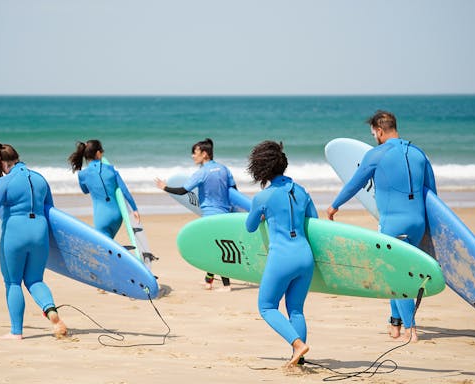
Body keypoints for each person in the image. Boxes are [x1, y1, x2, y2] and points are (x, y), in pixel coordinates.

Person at [326, 110, 437, 343]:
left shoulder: (376, 155)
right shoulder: (419, 153)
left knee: (394, 275)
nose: (373, 137)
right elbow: (432, 194)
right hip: (418, 223)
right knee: (397, 270)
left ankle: (411, 329)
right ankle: (395, 325)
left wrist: (334, 206)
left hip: (393, 224)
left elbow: (354, 184)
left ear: (379, 130)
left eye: (373, 133)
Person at [0, 143, 67, 340]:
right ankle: (51, 312)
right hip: (40, 232)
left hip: (15, 234)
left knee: (13, 283)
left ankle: (16, 332)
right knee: (35, 280)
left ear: (2, 163)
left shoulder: (4, 183)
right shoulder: (40, 179)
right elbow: (51, 211)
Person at [245, 140, 317, 367]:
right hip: (305, 257)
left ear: (261, 168)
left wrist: (265, 214)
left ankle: (297, 344)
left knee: (267, 306)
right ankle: (299, 358)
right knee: (295, 308)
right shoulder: (302, 191)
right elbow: (314, 222)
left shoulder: (263, 197)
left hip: (281, 258)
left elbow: (250, 226)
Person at [154, 138, 235, 292]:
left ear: (204, 154)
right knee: (216, 246)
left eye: (195, 153)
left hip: (210, 216)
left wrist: (165, 187)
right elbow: (234, 192)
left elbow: (183, 191)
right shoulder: (224, 169)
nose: (192, 156)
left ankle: (226, 285)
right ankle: (209, 281)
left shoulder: (202, 173)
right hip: (226, 214)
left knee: (215, 249)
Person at [68, 140, 140, 239]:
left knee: (104, 248)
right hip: (117, 216)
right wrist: (134, 209)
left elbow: (85, 191)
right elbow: (124, 190)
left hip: (101, 217)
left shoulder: (82, 175)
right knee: (109, 243)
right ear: (98, 153)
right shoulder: (111, 169)